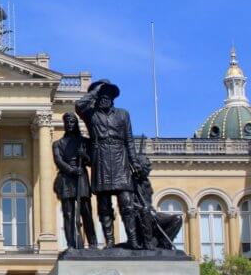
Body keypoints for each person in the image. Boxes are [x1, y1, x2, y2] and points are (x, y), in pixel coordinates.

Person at [76, 79, 142, 250]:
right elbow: (78, 105)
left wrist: (134, 162)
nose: (104, 98)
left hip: (120, 157)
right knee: (104, 205)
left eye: (108, 95)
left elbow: (129, 140)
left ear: (113, 97)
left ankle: (133, 240)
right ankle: (110, 241)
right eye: (102, 95)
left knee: (127, 203)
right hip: (101, 157)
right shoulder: (91, 114)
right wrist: (95, 90)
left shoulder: (123, 114)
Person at [52, 112, 97, 249]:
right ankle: (71, 244)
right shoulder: (58, 144)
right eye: (67, 122)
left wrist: (84, 156)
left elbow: (92, 162)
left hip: (81, 176)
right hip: (67, 178)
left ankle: (93, 242)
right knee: (68, 213)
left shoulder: (83, 142)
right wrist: (71, 170)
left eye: (72, 122)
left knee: (86, 211)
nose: (69, 124)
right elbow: (58, 161)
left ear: (76, 124)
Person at [132, 152, 183, 250]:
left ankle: (164, 244)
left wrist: (151, 211)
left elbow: (149, 203)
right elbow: (128, 203)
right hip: (138, 217)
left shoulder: (146, 183)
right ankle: (148, 244)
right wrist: (144, 209)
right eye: (146, 167)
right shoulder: (131, 182)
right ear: (139, 167)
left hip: (150, 213)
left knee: (177, 219)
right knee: (146, 210)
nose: (149, 170)